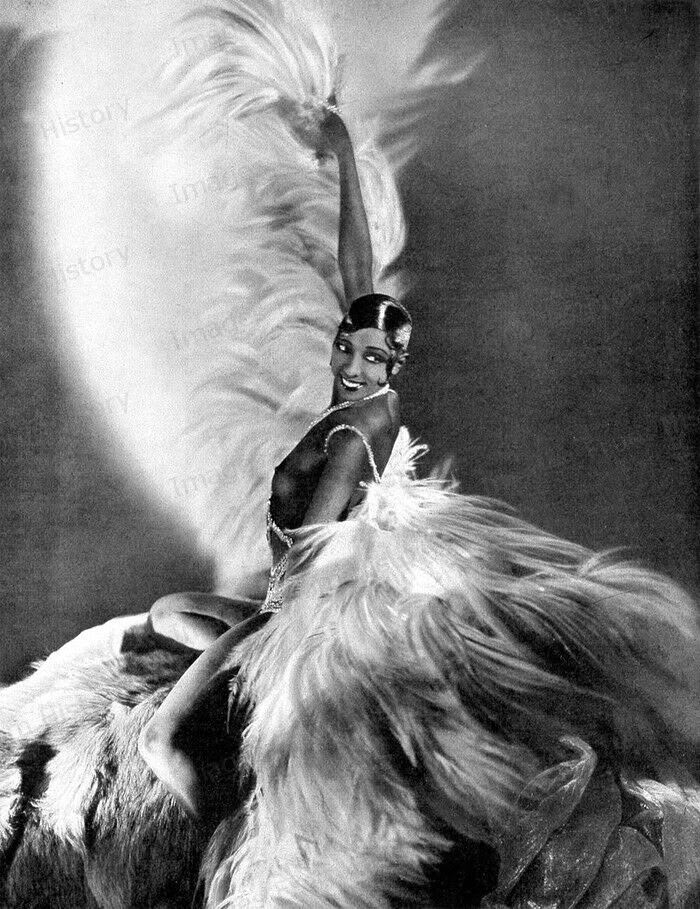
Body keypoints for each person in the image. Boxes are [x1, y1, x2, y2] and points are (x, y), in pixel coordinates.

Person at [137, 106, 411, 824]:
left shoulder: (358, 434)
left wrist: (265, 643)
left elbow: (311, 556)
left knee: (160, 742)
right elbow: (360, 272)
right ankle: (235, 693)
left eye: (371, 358)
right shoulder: (360, 393)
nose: (352, 366)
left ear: (394, 366)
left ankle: (225, 858)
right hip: (281, 608)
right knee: (168, 614)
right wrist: (344, 150)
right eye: (346, 348)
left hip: (297, 619)